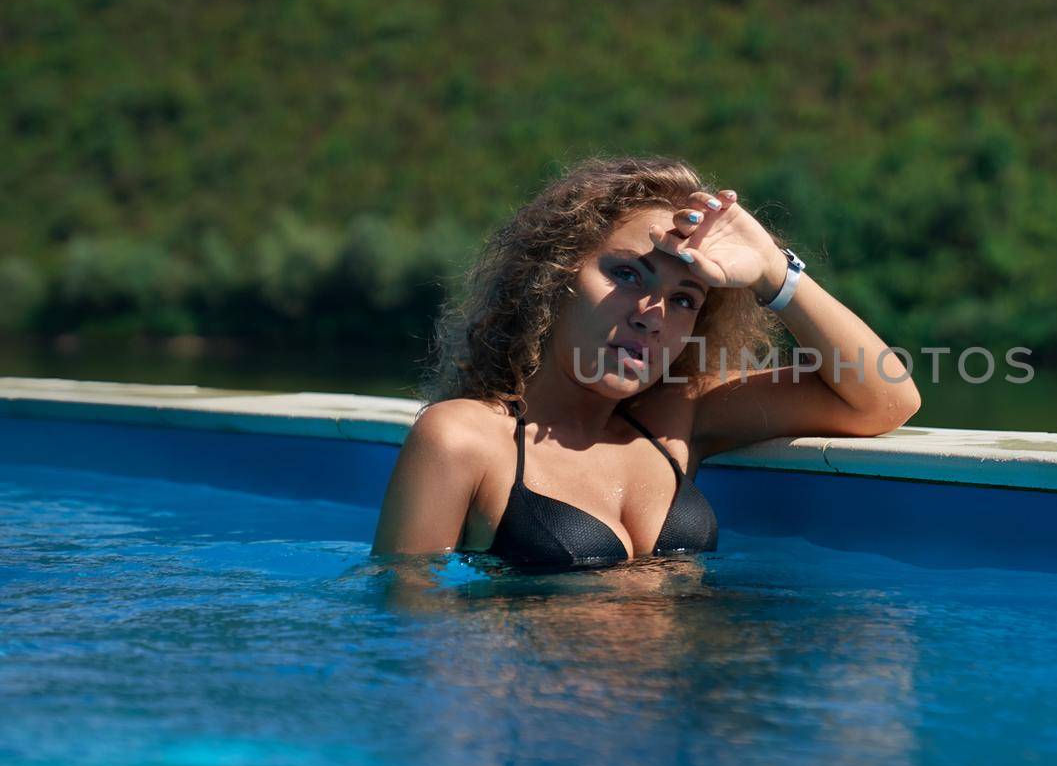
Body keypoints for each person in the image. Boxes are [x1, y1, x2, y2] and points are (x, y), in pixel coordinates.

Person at [371, 155, 920, 568]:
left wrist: (777, 274)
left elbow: (887, 399)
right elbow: (411, 630)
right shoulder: (463, 439)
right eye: (627, 274)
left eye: (685, 299)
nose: (652, 314)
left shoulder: (678, 418)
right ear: (554, 278)